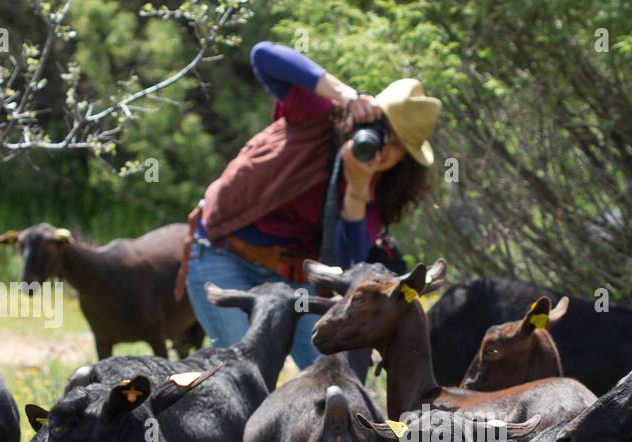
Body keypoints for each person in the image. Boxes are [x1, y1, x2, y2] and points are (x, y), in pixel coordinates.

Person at [177, 41, 440, 370]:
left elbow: (348, 262)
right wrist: (343, 94)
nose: (385, 149)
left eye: (400, 146)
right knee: (243, 374)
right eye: (385, 133)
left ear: (407, 160)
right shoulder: (319, 116)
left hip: (297, 276)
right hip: (223, 253)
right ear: (370, 117)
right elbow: (263, 55)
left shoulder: (381, 190)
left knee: (332, 374)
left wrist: (357, 187)